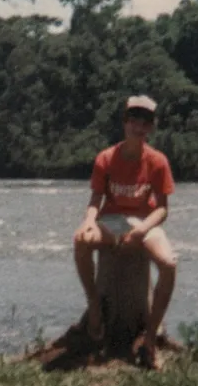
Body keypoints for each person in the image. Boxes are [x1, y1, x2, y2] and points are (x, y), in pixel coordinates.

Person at [73, 95, 177, 369]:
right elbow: (96, 199)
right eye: (134, 121)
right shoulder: (106, 158)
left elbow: (163, 209)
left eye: (145, 123)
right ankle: (95, 307)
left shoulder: (157, 161)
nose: (138, 127)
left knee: (168, 264)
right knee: (80, 241)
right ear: (125, 123)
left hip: (144, 221)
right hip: (115, 220)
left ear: (151, 128)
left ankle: (151, 337)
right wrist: (88, 221)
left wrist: (142, 229)